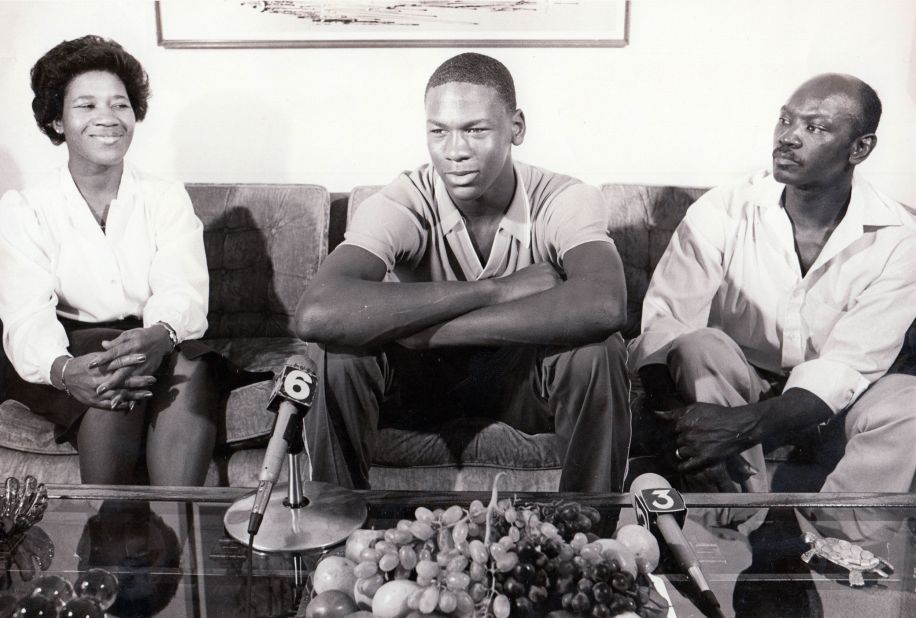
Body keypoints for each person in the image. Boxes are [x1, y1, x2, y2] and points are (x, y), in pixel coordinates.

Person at [296, 53, 630, 492]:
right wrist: (497, 290)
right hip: (422, 385)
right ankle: (335, 536)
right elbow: (316, 312)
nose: (455, 151)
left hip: (519, 386)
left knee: (599, 352)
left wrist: (428, 331)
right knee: (333, 353)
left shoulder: (563, 197)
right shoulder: (403, 200)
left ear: (516, 128)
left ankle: (589, 539)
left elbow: (605, 303)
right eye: (439, 131)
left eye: (475, 130)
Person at [628, 73, 916, 541]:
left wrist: (739, 428)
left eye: (815, 127)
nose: (787, 136)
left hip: (838, 405)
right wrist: (686, 433)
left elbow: (849, 365)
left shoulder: (900, 235)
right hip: (736, 388)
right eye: (786, 119)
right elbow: (663, 327)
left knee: (910, 402)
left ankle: (836, 547)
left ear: (859, 149)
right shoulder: (723, 210)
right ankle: (733, 519)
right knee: (699, 346)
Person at [0, 35, 218, 486]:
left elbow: (182, 289)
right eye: (86, 106)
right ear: (56, 122)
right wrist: (62, 371)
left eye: (120, 105)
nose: (108, 119)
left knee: (192, 368)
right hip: (66, 346)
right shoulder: (24, 209)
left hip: (159, 336)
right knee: (111, 370)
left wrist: (160, 334)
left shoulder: (165, 197)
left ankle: (177, 539)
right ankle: (110, 543)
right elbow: (25, 317)